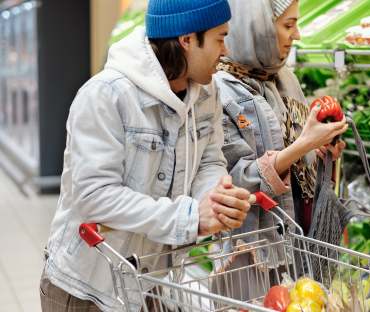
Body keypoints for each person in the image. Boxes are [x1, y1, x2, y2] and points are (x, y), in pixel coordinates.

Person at [39, 0, 252, 311]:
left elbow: (209, 159)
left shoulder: (208, 93)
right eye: (220, 38)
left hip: (151, 283)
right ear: (187, 39)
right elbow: (95, 196)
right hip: (88, 289)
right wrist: (190, 218)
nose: (226, 52)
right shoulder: (105, 96)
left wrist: (215, 197)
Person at [210, 0, 347, 300]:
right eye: (287, 25)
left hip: (299, 240)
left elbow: (301, 162)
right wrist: (303, 145)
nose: (296, 34)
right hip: (254, 254)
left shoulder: (284, 79)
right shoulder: (218, 91)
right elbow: (234, 182)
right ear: (256, 29)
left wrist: (321, 152)